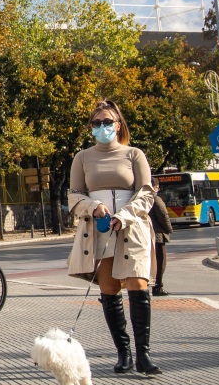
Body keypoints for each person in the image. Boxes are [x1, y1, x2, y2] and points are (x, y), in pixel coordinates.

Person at [67, 100, 162, 376]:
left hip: (132, 228)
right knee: (109, 290)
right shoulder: (82, 158)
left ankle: (144, 354)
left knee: (137, 285)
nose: (102, 127)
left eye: (107, 122)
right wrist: (93, 207)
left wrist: (126, 215)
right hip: (98, 229)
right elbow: (74, 194)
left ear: (118, 124)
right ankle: (124, 353)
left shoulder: (134, 154)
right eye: (96, 123)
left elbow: (146, 193)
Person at [149, 180, 173, 296]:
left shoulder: (139, 198)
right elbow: (164, 216)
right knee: (160, 262)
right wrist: (169, 229)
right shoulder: (155, 199)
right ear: (155, 187)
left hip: (145, 235)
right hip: (158, 235)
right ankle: (158, 287)